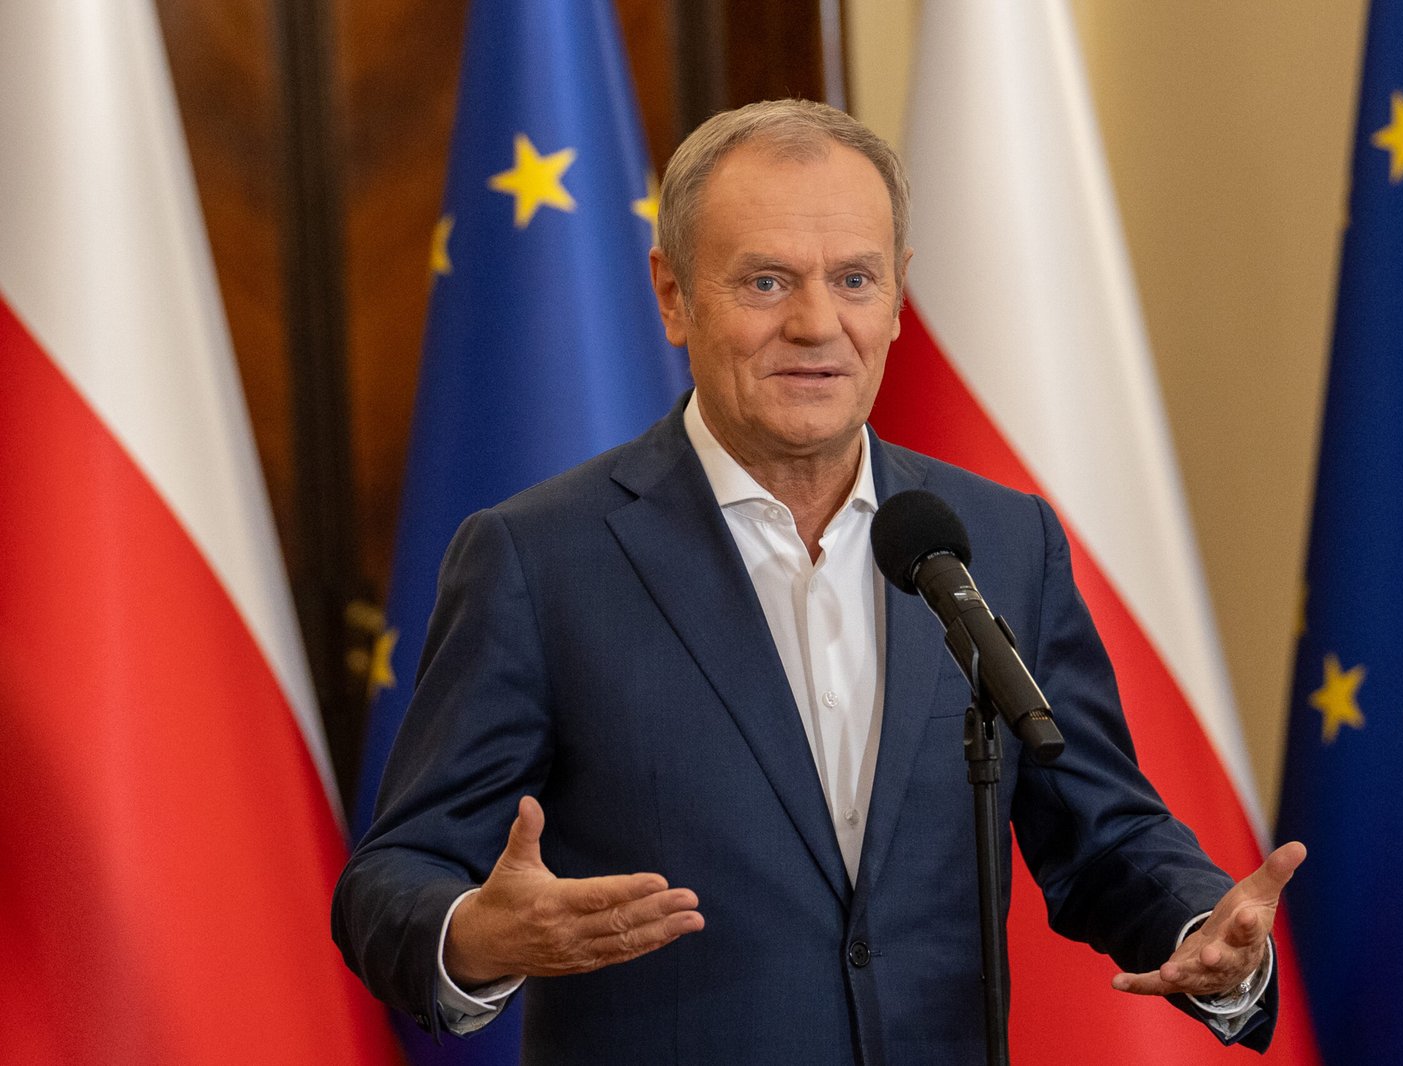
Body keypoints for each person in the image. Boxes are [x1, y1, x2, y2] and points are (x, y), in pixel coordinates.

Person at [333, 98, 1305, 1065]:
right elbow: (392, 877)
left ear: (897, 297)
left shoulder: (1001, 542)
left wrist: (1200, 929)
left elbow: (1101, 829)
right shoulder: (539, 558)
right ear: (672, 295)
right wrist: (474, 936)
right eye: (765, 281)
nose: (815, 324)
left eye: (853, 279)